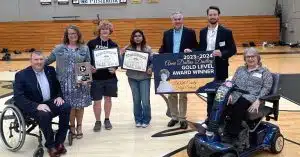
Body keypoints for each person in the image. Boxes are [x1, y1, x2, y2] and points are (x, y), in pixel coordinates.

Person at [185, 6, 237, 126]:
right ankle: (209, 118)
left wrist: (222, 53)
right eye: (210, 15)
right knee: (209, 95)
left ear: (218, 16)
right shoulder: (203, 32)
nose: (212, 17)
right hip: (206, 68)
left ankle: (219, 118)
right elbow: (201, 49)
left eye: (215, 14)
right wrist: (191, 50)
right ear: (207, 16)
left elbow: (233, 49)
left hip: (221, 68)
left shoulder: (226, 32)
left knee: (219, 95)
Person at [14, 51, 71, 157]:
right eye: (36, 59)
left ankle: (59, 142)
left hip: (49, 102)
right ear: (31, 61)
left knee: (66, 106)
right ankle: (50, 145)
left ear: (45, 60)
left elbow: (58, 86)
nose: (39, 62)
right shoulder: (21, 75)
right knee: (44, 114)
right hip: (32, 105)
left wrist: (59, 96)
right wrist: (37, 106)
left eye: (41, 59)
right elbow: (18, 97)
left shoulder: (50, 70)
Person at [45, 25, 92, 140]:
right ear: (67, 35)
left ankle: (79, 126)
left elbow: (87, 64)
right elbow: (47, 61)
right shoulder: (58, 48)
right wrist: (34, 65)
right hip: (64, 83)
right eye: (70, 33)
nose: (72, 35)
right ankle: (71, 127)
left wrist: (87, 78)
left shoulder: (84, 48)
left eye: (74, 33)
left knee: (80, 106)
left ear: (78, 34)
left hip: (80, 82)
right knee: (70, 107)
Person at [224, 47, 273, 141]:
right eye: (247, 57)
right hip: (236, 94)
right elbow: (232, 83)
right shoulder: (240, 69)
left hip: (252, 96)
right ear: (245, 59)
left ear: (258, 57)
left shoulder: (264, 72)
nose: (250, 59)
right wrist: (229, 93)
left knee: (240, 103)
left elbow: (266, 88)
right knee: (222, 100)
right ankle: (217, 127)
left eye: (252, 56)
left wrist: (258, 100)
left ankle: (233, 134)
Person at [159, 12, 197, 129]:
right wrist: (158, 55)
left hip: (183, 66)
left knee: (183, 94)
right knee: (172, 94)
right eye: (175, 19)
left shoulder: (190, 32)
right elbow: (163, 47)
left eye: (179, 19)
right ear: (172, 21)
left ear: (182, 19)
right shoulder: (167, 33)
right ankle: (174, 117)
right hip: (171, 66)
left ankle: (182, 118)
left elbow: (196, 46)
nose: (177, 21)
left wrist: (191, 50)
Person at [87, 20, 119, 132]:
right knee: (97, 101)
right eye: (103, 29)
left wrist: (115, 68)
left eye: (107, 29)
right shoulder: (91, 44)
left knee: (108, 99)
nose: (105, 30)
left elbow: (117, 61)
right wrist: (90, 67)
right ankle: (97, 121)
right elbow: (86, 59)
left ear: (110, 31)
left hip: (110, 78)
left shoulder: (113, 45)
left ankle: (107, 119)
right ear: (99, 31)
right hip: (96, 78)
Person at [120, 29, 153, 128]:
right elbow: (122, 63)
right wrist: (122, 54)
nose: (137, 38)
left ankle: (146, 119)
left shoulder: (148, 49)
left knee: (145, 101)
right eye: (135, 36)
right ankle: (138, 119)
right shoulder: (128, 48)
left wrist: (150, 68)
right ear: (132, 38)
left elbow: (153, 62)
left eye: (139, 36)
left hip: (144, 78)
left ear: (142, 37)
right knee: (136, 100)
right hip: (132, 77)